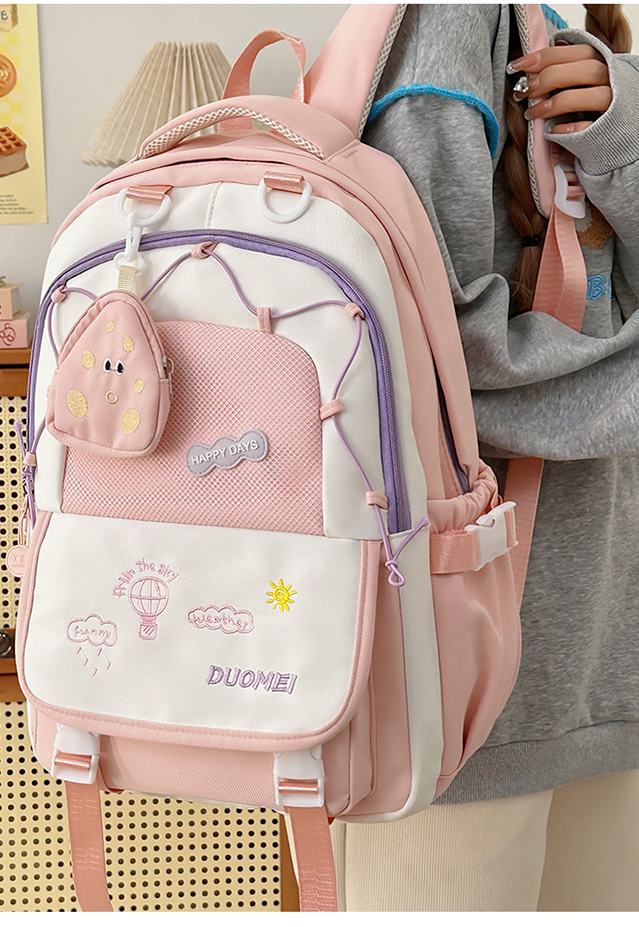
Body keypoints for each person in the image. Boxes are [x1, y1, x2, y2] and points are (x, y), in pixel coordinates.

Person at [328, 3, 639, 912]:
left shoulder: (578, 29)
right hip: (458, 693)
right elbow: (428, 352)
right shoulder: (450, 23)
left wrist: (623, 130)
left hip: (596, 660)